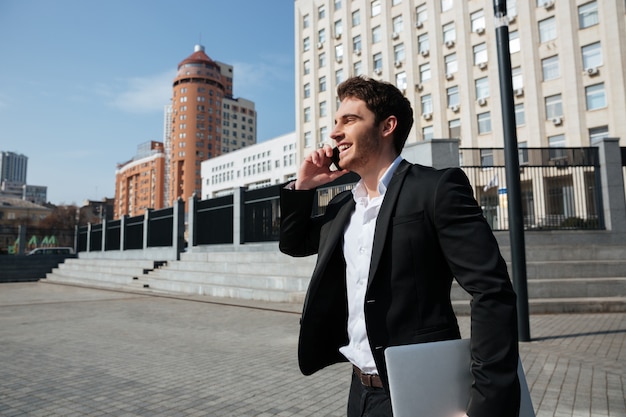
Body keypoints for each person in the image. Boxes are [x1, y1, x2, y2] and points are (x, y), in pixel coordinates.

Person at [279, 76, 520, 417]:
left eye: (349, 120)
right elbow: (294, 243)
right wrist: (303, 187)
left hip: (419, 388)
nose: (334, 133)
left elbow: (492, 292)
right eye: (335, 122)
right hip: (359, 391)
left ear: (387, 126)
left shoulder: (435, 189)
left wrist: (486, 403)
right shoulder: (344, 207)